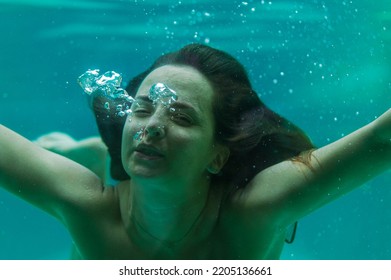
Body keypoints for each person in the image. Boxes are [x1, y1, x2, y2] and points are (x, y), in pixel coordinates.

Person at [0, 44, 390, 259]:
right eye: (141, 108)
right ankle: (83, 150)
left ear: (217, 155)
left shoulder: (253, 211)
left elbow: (381, 140)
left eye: (182, 118)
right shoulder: (87, 204)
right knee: (110, 159)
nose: (151, 125)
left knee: (118, 159)